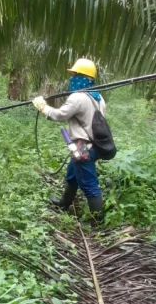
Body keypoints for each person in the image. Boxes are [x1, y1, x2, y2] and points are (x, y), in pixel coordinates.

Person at [32, 58, 107, 226]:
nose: (71, 78)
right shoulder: (99, 97)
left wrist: (43, 107)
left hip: (83, 149)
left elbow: (59, 115)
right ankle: (63, 203)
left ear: (82, 76)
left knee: (89, 184)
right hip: (93, 146)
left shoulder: (78, 97)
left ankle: (97, 221)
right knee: (72, 176)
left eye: (74, 74)